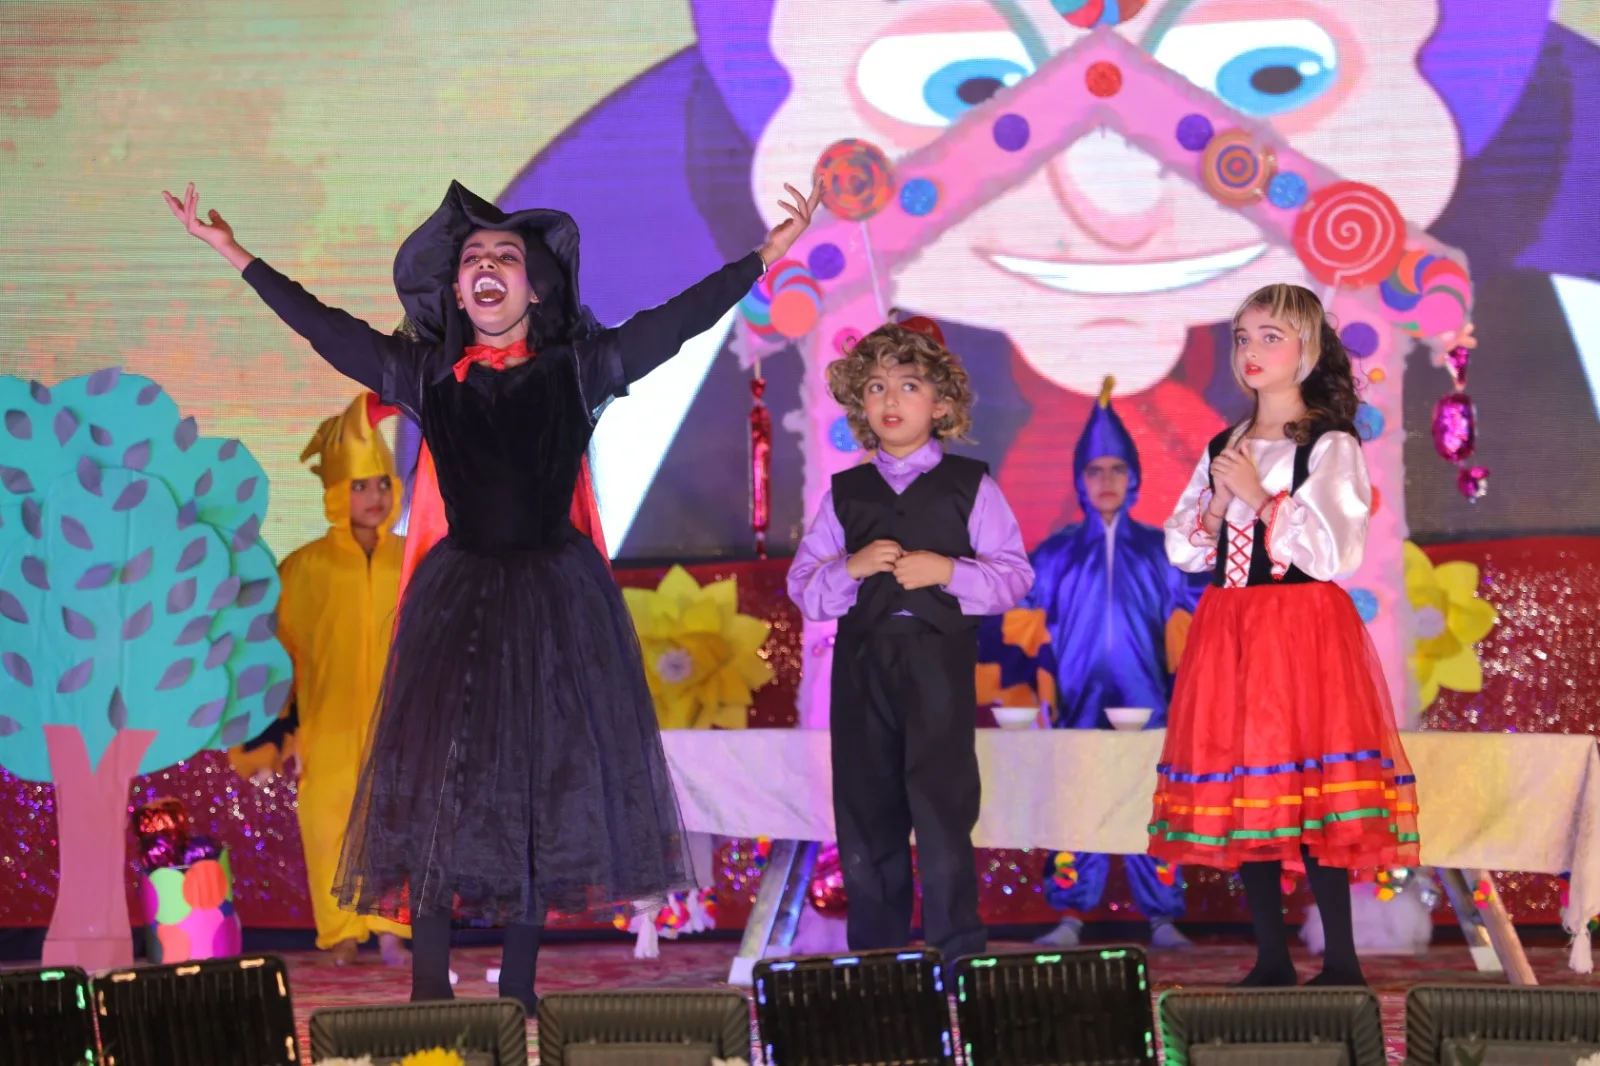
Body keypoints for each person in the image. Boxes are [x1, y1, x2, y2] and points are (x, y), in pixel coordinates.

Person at [162, 175, 821, 1008]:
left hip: (554, 600)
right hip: (461, 602)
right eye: (473, 257)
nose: (486, 266)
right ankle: (428, 988)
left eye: (505, 256)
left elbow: (674, 324)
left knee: (539, 788)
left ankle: (518, 987)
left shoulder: (579, 369)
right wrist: (235, 254)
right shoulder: (425, 374)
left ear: (534, 287)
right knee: (440, 784)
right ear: (455, 290)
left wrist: (762, 258)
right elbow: (325, 328)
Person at [1152, 284, 1420, 987]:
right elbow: (1184, 551)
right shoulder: (1224, 444)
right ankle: (1270, 956)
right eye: (1243, 337)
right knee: (1249, 785)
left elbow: (1336, 554)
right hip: (1231, 630)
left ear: (1307, 349)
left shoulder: (1329, 444)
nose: (1251, 350)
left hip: (1302, 631)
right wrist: (1219, 500)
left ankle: (1341, 961)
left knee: (1312, 786)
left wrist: (1260, 495)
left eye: (1270, 336)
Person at [787, 319, 1033, 963]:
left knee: (943, 810)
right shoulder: (845, 494)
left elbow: (1014, 576)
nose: (890, 400)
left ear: (941, 404)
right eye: (875, 387)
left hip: (937, 665)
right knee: (867, 814)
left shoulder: (971, 486)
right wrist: (851, 567)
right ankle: (879, 963)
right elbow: (805, 588)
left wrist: (948, 571)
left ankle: (957, 955)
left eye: (909, 385)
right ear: (860, 406)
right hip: (862, 667)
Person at [988, 377, 1206, 951]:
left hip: (1147, 700)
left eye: (1116, 470)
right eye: (1094, 471)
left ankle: (1162, 916)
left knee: (1151, 800)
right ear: (1079, 481)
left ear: (1134, 477)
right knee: (1074, 800)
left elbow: (1201, 611)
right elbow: (1014, 619)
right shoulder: (1056, 553)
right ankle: (1069, 913)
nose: (1106, 481)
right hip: (1076, 699)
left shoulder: (1162, 551)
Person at [273, 393, 412, 967]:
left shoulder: (414, 559)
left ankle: (392, 929)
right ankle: (340, 932)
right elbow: (277, 655)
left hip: (399, 726)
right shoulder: (303, 569)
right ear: (335, 493)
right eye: (359, 486)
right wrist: (280, 731)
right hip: (325, 725)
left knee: (396, 818)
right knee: (328, 822)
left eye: (381, 483)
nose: (374, 497)